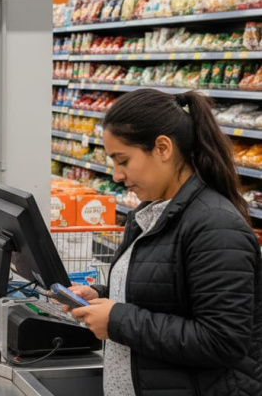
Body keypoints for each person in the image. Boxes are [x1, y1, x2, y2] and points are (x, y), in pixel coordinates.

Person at [63, 89, 262, 396]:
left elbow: (222, 341)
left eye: (123, 160)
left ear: (163, 148)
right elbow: (166, 295)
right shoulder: (152, 213)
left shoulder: (215, 226)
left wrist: (117, 320)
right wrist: (101, 297)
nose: (116, 175)